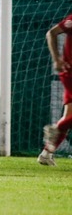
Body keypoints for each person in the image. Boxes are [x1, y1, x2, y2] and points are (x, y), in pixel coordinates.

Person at [38, 11, 72, 165]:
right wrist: (57, 60)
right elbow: (51, 33)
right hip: (70, 71)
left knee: (68, 115)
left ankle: (47, 152)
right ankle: (54, 131)